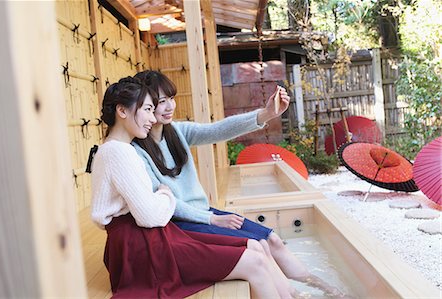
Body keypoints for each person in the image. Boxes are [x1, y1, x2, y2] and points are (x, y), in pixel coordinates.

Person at [132, 70, 348, 297]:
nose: (169, 107)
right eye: (161, 102)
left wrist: (265, 114)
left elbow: (218, 130)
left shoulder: (176, 131)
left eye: (171, 99)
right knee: (259, 246)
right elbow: (167, 203)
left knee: (272, 239)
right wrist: (212, 219)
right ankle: (294, 294)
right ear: (145, 106)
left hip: (203, 212)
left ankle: (324, 288)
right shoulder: (138, 152)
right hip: (182, 224)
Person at [90, 76, 297, 298]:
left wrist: (265, 115)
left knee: (258, 249)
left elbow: (217, 130)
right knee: (255, 259)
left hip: (151, 235)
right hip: (142, 244)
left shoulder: (125, 147)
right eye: (150, 108)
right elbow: (149, 215)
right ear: (122, 111)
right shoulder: (121, 152)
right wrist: (165, 195)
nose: (153, 117)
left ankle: (298, 292)